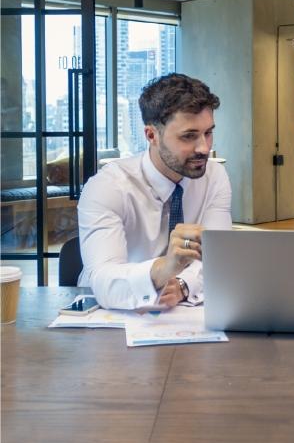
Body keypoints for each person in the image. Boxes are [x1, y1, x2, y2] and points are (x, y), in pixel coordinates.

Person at [78, 73, 232, 310]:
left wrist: (183, 283)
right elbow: (102, 279)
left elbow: (220, 258)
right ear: (152, 135)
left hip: (185, 311)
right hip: (115, 314)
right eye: (189, 136)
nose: (204, 148)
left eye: (208, 133)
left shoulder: (215, 177)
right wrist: (163, 269)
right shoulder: (108, 187)